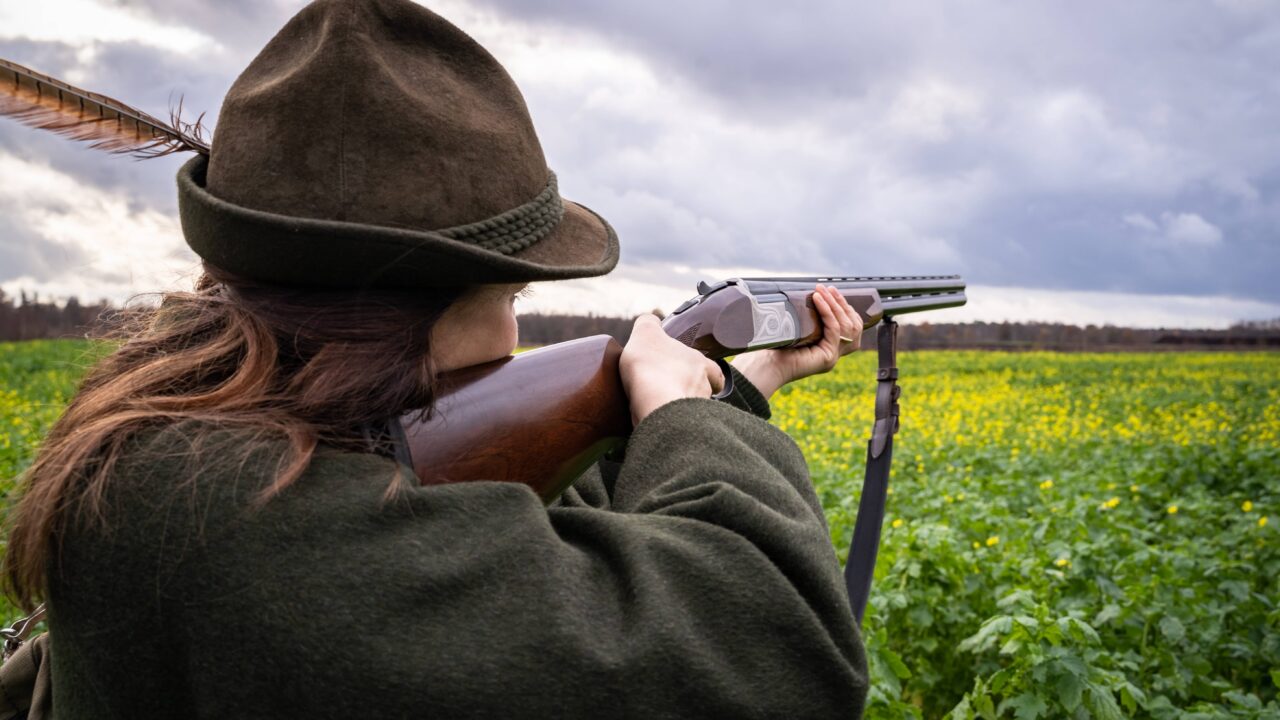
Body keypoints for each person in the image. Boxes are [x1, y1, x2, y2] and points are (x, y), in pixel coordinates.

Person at [2, 0, 869, 717]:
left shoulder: (196, 436)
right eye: (508, 302)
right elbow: (778, 652)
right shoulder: (247, 525)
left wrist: (725, 396)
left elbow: (494, 517)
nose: (515, 340)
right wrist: (684, 420)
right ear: (399, 321)